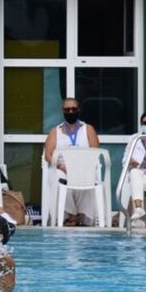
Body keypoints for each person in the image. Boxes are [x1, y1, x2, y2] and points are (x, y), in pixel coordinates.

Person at [44, 97, 101, 226]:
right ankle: (72, 215)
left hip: (84, 168)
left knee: (87, 178)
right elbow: (48, 155)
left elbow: (95, 152)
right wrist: (60, 166)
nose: (71, 112)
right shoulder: (55, 131)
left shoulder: (88, 129)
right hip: (62, 168)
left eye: (74, 109)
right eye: (67, 109)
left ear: (79, 110)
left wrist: (82, 167)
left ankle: (82, 215)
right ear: (63, 111)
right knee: (59, 179)